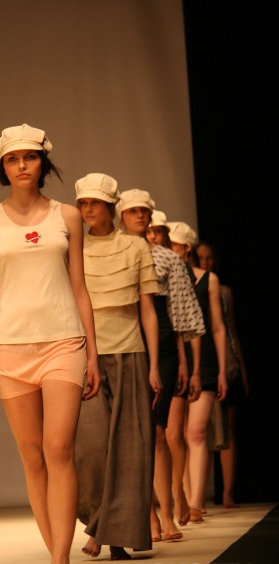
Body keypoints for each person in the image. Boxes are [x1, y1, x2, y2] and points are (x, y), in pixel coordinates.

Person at [0, 123, 100, 564]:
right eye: (12, 158)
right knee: (32, 458)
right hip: (10, 347)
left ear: (43, 161)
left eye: (29, 156)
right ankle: (56, 556)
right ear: (3, 167)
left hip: (64, 341)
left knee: (59, 449)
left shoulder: (68, 216)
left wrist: (93, 355)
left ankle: (61, 562)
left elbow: (79, 287)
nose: (21, 165)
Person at [74, 174, 162, 560]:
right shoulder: (73, 248)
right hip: (86, 355)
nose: (87, 209)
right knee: (91, 449)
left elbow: (147, 308)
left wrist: (154, 365)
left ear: (110, 206)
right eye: (82, 203)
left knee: (131, 449)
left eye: (94, 202)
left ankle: (111, 537)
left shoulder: (135, 246)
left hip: (130, 352)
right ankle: (99, 524)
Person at [117, 195, 205, 542]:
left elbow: (181, 311)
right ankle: (148, 514)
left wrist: (185, 363)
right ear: (121, 215)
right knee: (132, 435)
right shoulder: (114, 252)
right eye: (133, 210)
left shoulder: (168, 258)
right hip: (125, 340)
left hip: (165, 345)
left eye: (145, 211)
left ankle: (166, 513)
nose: (140, 216)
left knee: (157, 430)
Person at [168, 221, 228, 523]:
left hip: (203, 361)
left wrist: (222, 371)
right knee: (176, 434)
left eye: (175, 245)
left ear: (186, 247)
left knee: (196, 431)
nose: (170, 249)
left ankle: (195, 501)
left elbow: (217, 327)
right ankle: (185, 498)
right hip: (176, 359)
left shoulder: (208, 279)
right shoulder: (165, 275)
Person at [192, 241, 249, 508]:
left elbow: (229, 328)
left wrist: (240, 368)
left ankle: (227, 492)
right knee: (198, 430)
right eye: (201, 257)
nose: (206, 262)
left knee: (227, 427)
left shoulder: (223, 290)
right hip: (202, 358)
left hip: (225, 360)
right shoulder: (192, 284)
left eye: (210, 258)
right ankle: (197, 496)